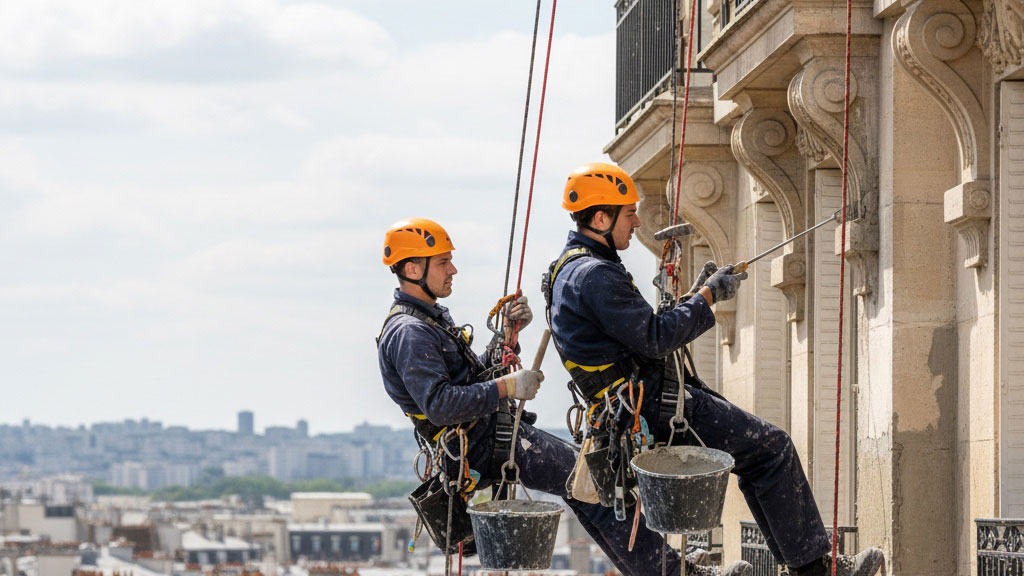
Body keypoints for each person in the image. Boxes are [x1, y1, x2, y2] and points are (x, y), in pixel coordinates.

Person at [544, 163, 885, 576]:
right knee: (770, 448)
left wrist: (694, 297)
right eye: (628, 212)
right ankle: (816, 568)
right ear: (601, 218)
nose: (635, 222)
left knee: (760, 455)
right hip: (650, 404)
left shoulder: (570, 270)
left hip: (632, 405)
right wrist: (706, 298)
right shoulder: (595, 274)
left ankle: (810, 567)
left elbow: (635, 335)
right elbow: (655, 337)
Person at [376, 217, 748, 576]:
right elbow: (441, 406)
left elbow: (467, 380)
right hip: (484, 443)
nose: (453, 269)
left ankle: (666, 567)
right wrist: (507, 387)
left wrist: (507, 337)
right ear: (412, 269)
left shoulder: (424, 321)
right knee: (597, 491)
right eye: (443, 262)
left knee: (592, 491)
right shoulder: (410, 331)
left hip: (490, 438)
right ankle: (674, 571)